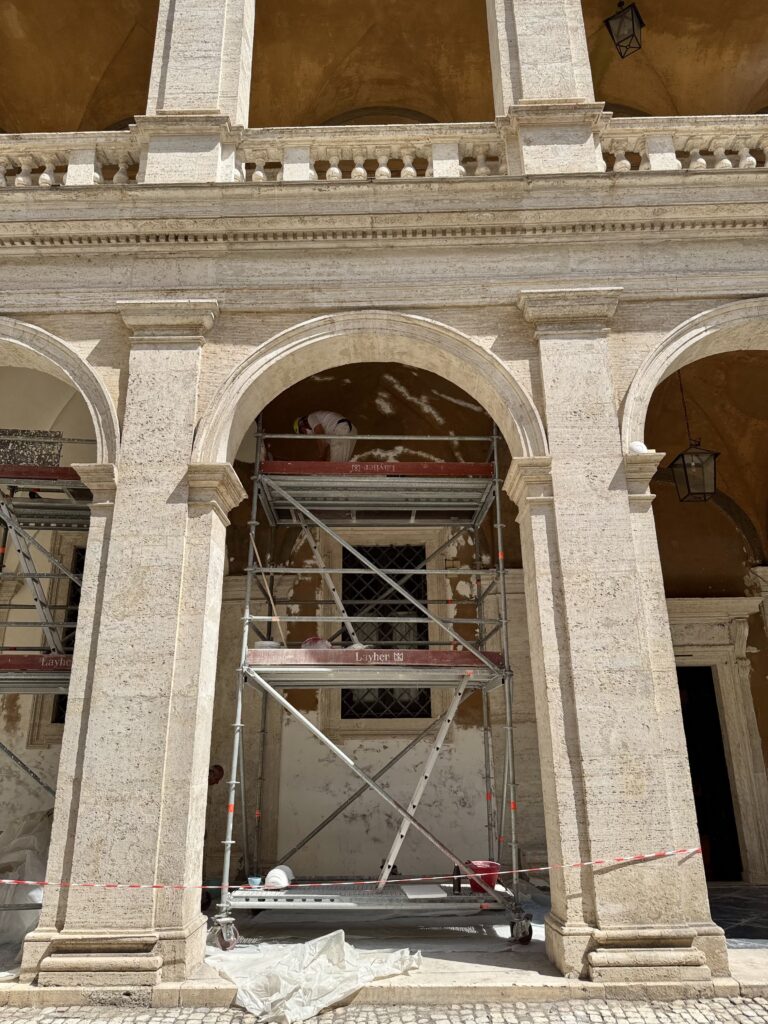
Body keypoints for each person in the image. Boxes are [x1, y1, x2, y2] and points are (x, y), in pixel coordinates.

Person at [293, 411, 357, 462]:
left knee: (335, 467)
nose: (305, 434)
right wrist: (323, 461)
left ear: (302, 424)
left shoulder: (310, 418)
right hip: (350, 431)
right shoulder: (327, 432)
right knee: (341, 465)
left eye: (302, 432)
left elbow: (320, 434)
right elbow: (326, 446)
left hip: (341, 430)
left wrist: (321, 456)